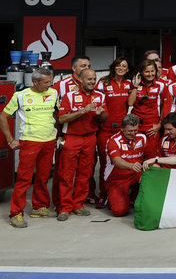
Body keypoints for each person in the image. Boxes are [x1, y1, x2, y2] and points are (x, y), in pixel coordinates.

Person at [2, 67, 59, 228]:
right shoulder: (20, 96)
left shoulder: (53, 93)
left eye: (50, 81)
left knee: (43, 177)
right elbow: (3, 117)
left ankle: (39, 207)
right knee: (24, 179)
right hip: (29, 142)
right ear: (35, 82)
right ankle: (16, 213)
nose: (49, 84)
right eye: (46, 82)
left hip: (49, 141)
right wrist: (10, 139)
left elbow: (56, 113)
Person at [57, 68, 106, 220]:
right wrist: (82, 111)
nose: (92, 82)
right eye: (89, 79)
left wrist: (101, 115)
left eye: (94, 79)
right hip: (72, 138)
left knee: (85, 174)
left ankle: (78, 204)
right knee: (67, 174)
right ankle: (64, 208)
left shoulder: (100, 96)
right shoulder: (70, 96)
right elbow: (61, 119)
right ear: (81, 80)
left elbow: (104, 118)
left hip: (90, 138)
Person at [95, 57, 133, 206]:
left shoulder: (129, 83)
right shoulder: (103, 83)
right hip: (105, 129)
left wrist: (135, 87)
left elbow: (131, 103)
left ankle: (119, 194)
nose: (121, 68)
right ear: (114, 67)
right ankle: (103, 194)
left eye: (124, 66)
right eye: (118, 65)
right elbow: (98, 103)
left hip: (121, 130)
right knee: (105, 163)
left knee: (122, 162)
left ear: (128, 69)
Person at [103, 113, 148, 217]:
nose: (133, 134)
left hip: (136, 175)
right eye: (130, 131)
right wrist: (131, 166)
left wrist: (146, 174)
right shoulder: (113, 140)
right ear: (122, 129)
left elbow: (151, 157)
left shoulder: (142, 138)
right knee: (120, 211)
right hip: (117, 178)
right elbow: (116, 161)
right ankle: (113, 197)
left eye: (135, 130)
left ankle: (132, 197)